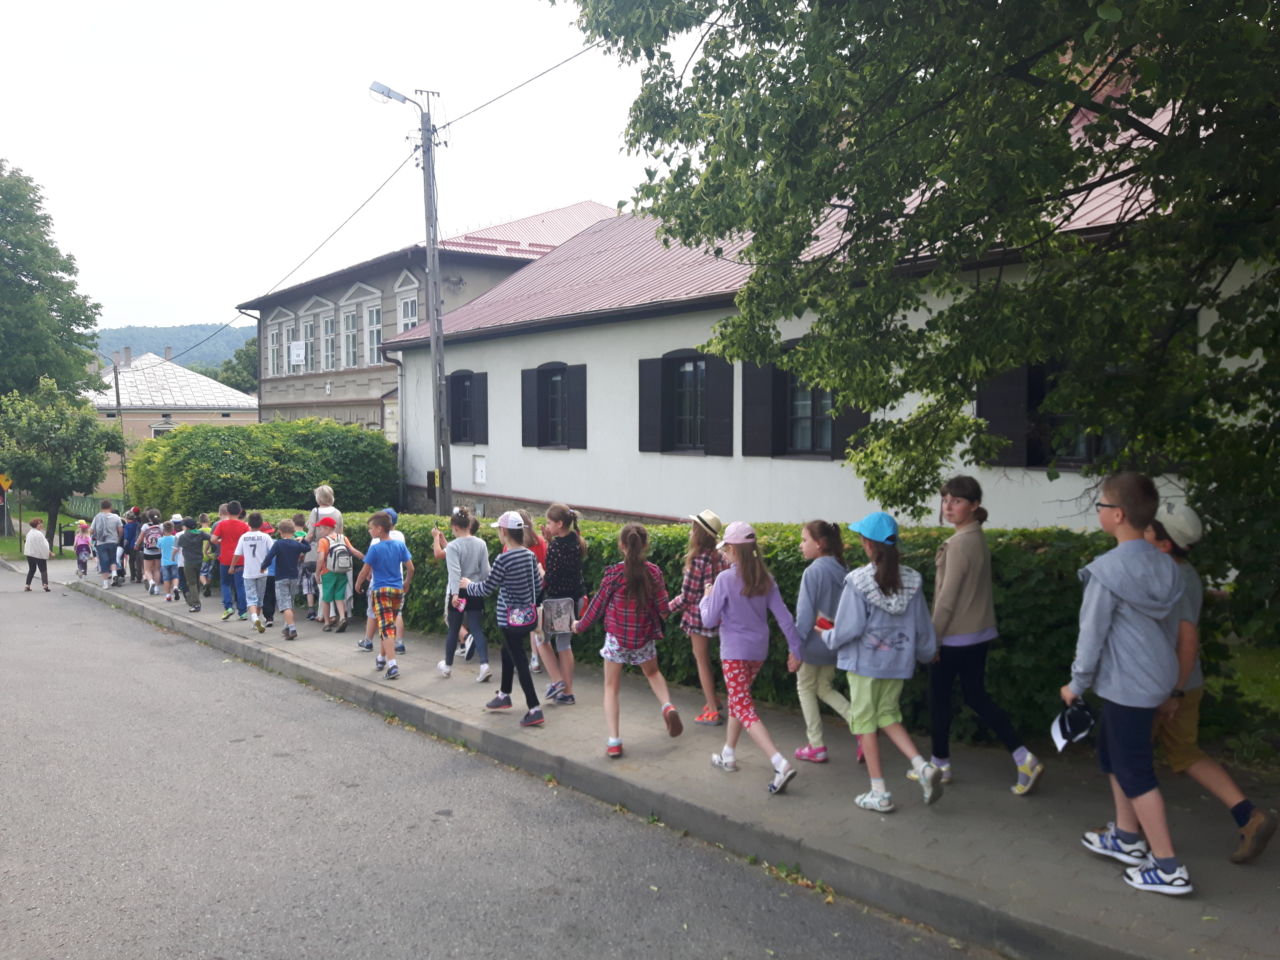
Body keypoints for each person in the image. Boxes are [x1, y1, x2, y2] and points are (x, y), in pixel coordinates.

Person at [1063, 472, 1190, 896]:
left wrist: (1076, 684)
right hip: (1152, 679)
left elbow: (1091, 635)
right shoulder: (1166, 565)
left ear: (1117, 515)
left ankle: (1169, 866)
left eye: (1100, 505)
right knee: (1116, 758)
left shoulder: (1106, 572)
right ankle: (1126, 836)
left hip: (1127, 686)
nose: (1098, 511)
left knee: (1135, 771)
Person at [1147, 503, 1276, 863]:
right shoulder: (1182, 572)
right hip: (1179, 682)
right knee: (1182, 753)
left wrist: (1174, 691)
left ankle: (1133, 830)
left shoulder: (1173, 579)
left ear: (1165, 542)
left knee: (1132, 756)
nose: (1144, 529)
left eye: (1151, 526)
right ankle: (1248, 816)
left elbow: (1187, 640)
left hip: (1167, 685)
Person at [822, 511, 943, 813]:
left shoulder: (857, 581)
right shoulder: (912, 580)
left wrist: (826, 635)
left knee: (865, 723)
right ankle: (923, 767)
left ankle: (879, 792)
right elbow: (923, 626)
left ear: (868, 543)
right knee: (888, 715)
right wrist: (928, 652)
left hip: (864, 665)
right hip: (898, 663)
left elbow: (848, 629)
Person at [928, 476, 1042, 794]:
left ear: (974, 505)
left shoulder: (958, 544)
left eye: (957, 501)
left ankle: (940, 764)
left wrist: (932, 639)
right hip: (977, 634)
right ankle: (1022, 756)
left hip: (954, 637)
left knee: (939, 699)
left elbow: (947, 599)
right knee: (975, 696)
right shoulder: (976, 537)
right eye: (945, 500)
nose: (948, 506)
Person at [699, 521, 803, 795]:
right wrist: (796, 650)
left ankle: (780, 763)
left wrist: (705, 598)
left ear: (734, 550)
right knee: (738, 699)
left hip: (734, 653)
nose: (723, 554)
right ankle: (728, 754)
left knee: (743, 706)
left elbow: (708, 620)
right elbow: (785, 618)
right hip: (758, 652)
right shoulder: (765, 579)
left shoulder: (724, 579)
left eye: (725, 549)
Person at [573, 523, 681, 757]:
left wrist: (579, 626)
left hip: (617, 639)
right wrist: (678, 602)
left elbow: (597, 607)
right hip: (644, 637)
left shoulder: (614, 574)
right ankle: (667, 705)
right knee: (653, 673)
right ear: (645, 545)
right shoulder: (654, 573)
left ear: (622, 545)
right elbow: (664, 611)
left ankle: (614, 741)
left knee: (611, 687)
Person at [460, 511, 544, 728]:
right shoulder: (529, 555)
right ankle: (504, 695)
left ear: (504, 532)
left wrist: (468, 585)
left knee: (519, 661)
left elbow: (487, 588)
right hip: (526, 616)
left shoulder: (503, 558)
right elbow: (537, 586)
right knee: (508, 652)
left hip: (509, 619)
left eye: (499, 529)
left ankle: (534, 708)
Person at [791, 520, 851, 764]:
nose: (800, 545)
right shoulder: (844, 569)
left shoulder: (813, 572)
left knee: (805, 687)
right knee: (824, 687)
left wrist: (795, 648)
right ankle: (861, 726)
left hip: (812, 645)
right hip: (834, 643)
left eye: (804, 540)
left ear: (820, 543)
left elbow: (804, 617)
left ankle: (816, 745)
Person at [669, 509, 727, 726]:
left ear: (699, 534)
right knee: (711, 660)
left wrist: (667, 607)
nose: (690, 532)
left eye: (693, 529)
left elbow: (688, 596)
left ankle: (712, 709)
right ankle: (714, 699)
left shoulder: (697, 560)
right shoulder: (721, 556)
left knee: (702, 661)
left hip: (699, 617)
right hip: (719, 615)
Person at [537, 503, 587, 705]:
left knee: (540, 639)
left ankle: (557, 681)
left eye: (549, 522)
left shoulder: (556, 547)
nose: (547, 526)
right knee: (564, 644)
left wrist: (541, 570)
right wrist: (550, 541)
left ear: (559, 524)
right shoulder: (577, 540)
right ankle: (567, 692)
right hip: (575, 599)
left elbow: (551, 578)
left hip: (558, 602)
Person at [434, 506, 492, 682]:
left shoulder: (453, 546)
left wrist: (454, 594)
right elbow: (486, 571)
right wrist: (481, 586)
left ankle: (448, 666)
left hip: (459, 592)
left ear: (455, 527)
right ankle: (484, 665)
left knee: (454, 628)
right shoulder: (481, 543)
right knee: (476, 627)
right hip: (475, 589)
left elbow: (454, 572)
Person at [354, 511, 413, 680]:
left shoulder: (375, 548)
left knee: (386, 628)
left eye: (371, 528)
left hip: (381, 591)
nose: (369, 531)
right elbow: (411, 568)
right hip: (397, 590)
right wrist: (407, 582)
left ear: (379, 529)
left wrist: (358, 584)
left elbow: (365, 571)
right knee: (388, 625)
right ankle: (381, 658)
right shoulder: (399, 545)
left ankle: (392, 665)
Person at [261, 519, 311, 640]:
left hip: (281, 578)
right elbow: (308, 548)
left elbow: (269, 557)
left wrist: (263, 567)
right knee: (290, 602)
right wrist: (303, 539)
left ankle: (292, 628)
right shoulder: (296, 544)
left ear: (280, 531)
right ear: (293, 531)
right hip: (294, 577)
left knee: (285, 605)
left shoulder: (278, 544)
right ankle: (287, 627)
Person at [315, 516, 363, 633]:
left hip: (328, 572)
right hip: (342, 571)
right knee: (339, 597)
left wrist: (317, 573)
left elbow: (321, 558)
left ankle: (327, 623)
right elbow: (353, 551)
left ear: (327, 528)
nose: (319, 531)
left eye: (321, 528)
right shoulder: (343, 538)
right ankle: (342, 618)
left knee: (326, 598)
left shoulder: (323, 541)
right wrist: (365, 559)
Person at [229, 512, 275, 633]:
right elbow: (273, 551)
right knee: (260, 598)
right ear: (261, 523)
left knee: (251, 598)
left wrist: (232, 566)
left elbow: (237, 554)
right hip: (262, 572)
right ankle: (257, 619)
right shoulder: (265, 537)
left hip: (249, 572)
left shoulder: (244, 537)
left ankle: (254, 618)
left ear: (249, 523)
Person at [518, 508, 549, 673]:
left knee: (515, 624)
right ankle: (535, 659)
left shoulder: (512, 544)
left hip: (520, 589)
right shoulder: (539, 541)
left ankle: (518, 658)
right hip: (538, 587)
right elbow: (544, 562)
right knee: (535, 624)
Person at [210, 501, 249, 621]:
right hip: (240, 559)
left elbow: (213, 539)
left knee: (225, 583)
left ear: (227, 511)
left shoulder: (222, 524)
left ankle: (228, 607)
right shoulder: (244, 526)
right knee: (240, 585)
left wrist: (221, 541)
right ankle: (242, 612)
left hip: (225, 559)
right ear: (240, 512)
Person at [178, 518, 211, 613]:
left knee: (191, 583)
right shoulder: (200, 533)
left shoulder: (183, 536)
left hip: (189, 561)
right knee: (196, 581)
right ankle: (195, 598)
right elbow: (211, 538)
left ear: (186, 527)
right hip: (199, 560)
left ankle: (196, 604)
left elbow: (180, 545)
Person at [90, 498, 123, 589]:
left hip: (101, 543)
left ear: (101, 507)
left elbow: (91, 531)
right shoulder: (116, 517)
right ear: (110, 507)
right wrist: (118, 538)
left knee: (104, 562)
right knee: (113, 559)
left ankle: (105, 583)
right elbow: (120, 529)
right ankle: (114, 574)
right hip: (113, 541)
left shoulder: (97, 517)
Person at [293, 512, 318, 620]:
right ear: (304, 524)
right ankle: (313, 609)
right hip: (310, 563)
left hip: (297, 566)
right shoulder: (307, 535)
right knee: (312, 586)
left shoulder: (292, 537)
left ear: (293, 523)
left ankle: (291, 609)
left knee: (297, 587)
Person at [138, 509, 164, 595]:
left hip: (148, 551)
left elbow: (140, 538)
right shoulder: (161, 526)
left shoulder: (145, 526)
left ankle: (151, 581)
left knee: (147, 570)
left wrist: (136, 545)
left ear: (149, 518)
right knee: (157, 570)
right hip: (158, 551)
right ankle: (156, 588)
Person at [23, 518, 51, 592]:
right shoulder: (39, 534)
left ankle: (27, 585)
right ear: (36, 525)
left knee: (32, 569)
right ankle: (45, 585)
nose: (41, 525)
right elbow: (43, 545)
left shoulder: (29, 533)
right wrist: (48, 552)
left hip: (30, 554)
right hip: (38, 554)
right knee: (43, 569)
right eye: (40, 524)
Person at [158, 521, 180, 602]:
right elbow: (178, 549)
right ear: (172, 529)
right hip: (175, 561)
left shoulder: (160, 540)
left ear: (163, 530)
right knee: (175, 576)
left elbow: (159, 550)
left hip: (165, 562)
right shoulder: (175, 538)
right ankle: (175, 587)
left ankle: (168, 595)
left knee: (166, 578)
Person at [121, 509, 140, 584]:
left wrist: (124, 546)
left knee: (131, 561)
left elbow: (126, 537)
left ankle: (132, 576)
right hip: (138, 544)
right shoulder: (137, 524)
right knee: (137, 561)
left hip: (131, 546)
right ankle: (139, 576)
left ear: (127, 518)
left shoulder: (127, 526)